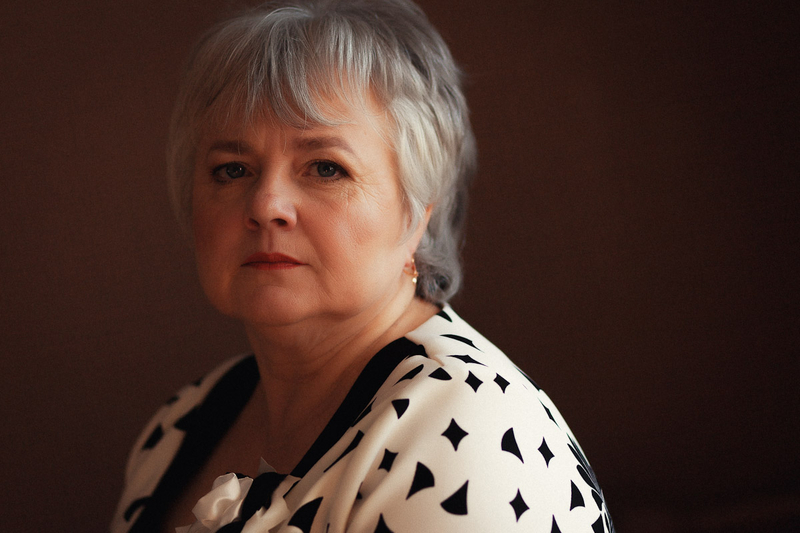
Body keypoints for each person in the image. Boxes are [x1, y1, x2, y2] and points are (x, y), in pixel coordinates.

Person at [111, 0, 614, 531]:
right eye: (232, 169)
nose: (265, 204)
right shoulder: (182, 422)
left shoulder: (473, 438)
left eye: (325, 168)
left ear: (418, 210)